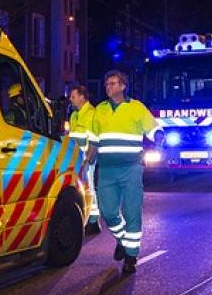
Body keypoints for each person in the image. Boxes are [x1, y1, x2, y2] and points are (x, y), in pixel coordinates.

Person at [87, 70, 164, 274]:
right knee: (109, 212)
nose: (108, 87)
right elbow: (93, 139)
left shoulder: (136, 107)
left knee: (131, 212)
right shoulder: (100, 110)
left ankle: (131, 256)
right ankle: (122, 240)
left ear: (122, 86)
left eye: (112, 83)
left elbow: (152, 128)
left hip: (131, 168)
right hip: (107, 169)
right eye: (106, 84)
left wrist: (160, 136)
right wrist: (87, 160)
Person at [68, 85, 102, 234]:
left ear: (82, 97)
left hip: (87, 158)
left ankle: (93, 221)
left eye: (73, 96)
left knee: (89, 187)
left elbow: (95, 139)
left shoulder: (91, 113)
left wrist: (88, 159)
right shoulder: (75, 114)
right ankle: (89, 218)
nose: (70, 99)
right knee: (83, 189)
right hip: (76, 159)